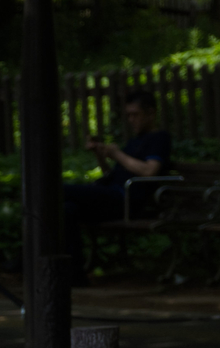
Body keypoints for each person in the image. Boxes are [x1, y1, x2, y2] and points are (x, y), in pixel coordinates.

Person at [65, 91, 173, 257]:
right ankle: (72, 268)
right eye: (128, 115)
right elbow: (111, 175)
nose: (131, 120)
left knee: (59, 190)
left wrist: (117, 154)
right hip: (112, 195)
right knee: (67, 210)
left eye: (135, 115)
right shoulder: (134, 142)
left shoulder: (159, 138)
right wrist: (100, 155)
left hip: (127, 201)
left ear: (151, 113)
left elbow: (149, 171)